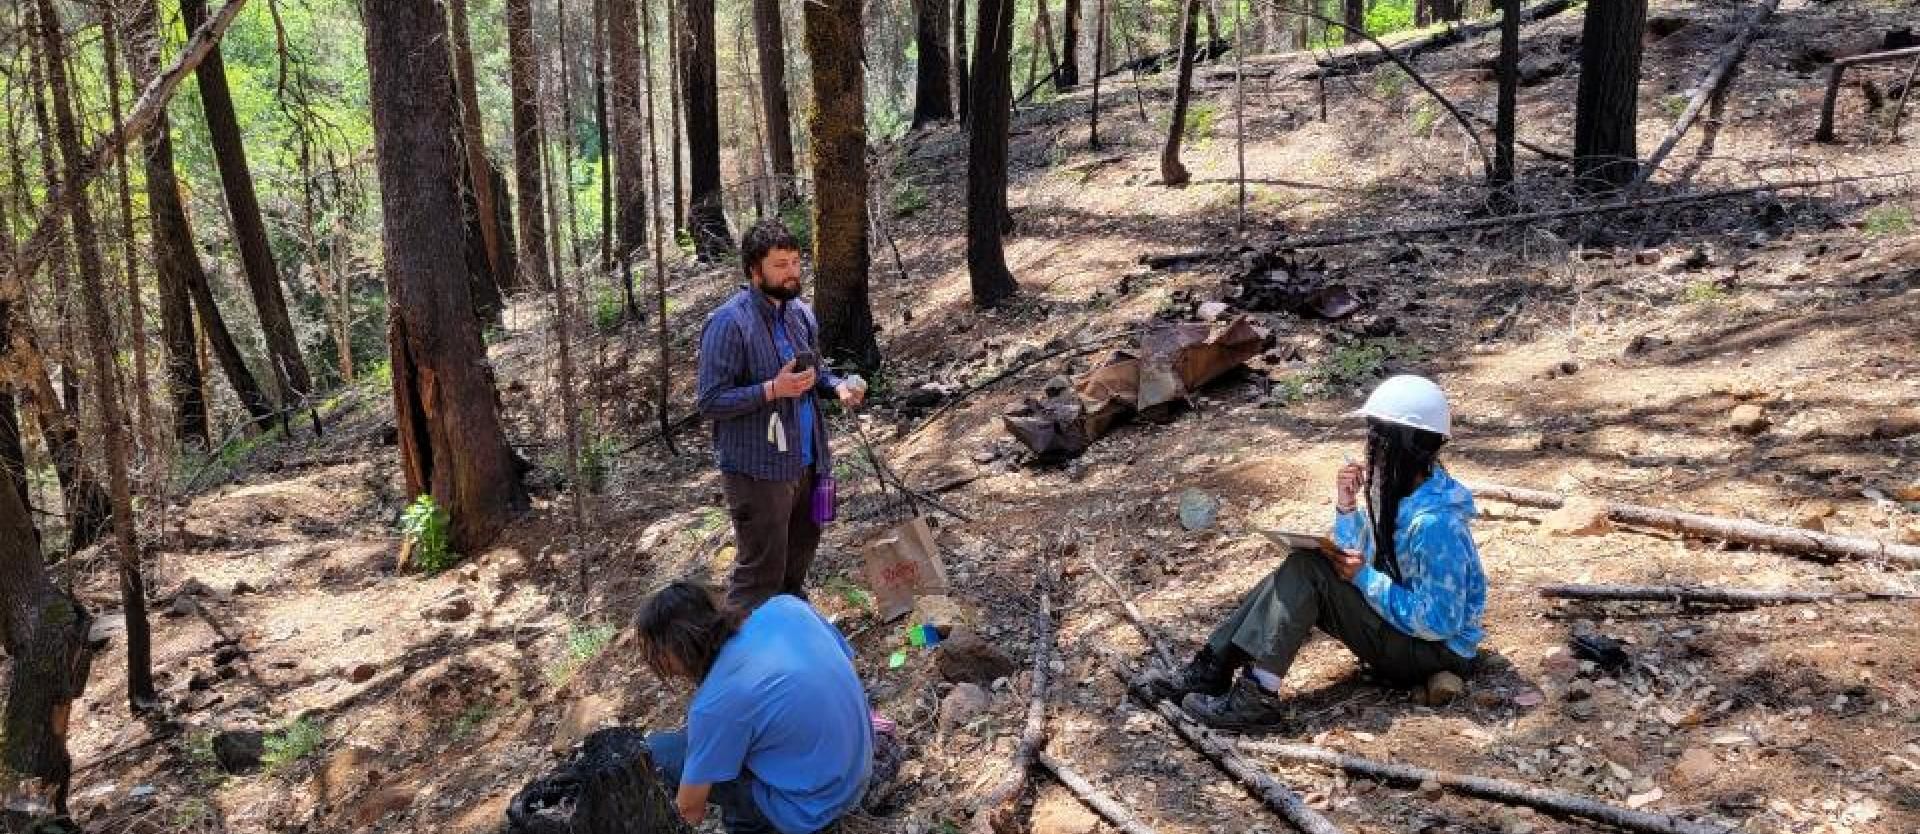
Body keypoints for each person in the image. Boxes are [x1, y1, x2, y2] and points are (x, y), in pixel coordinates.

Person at [1140, 375, 1487, 730]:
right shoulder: (1402, 492)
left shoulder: (1434, 524)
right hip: (1409, 636)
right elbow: (1362, 555)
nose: (1371, 448)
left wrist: (1365, 579)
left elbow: (1441, 623)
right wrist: (1347, 507)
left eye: (1378, 438)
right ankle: (1211, 668)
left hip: (1437, 653)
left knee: (1308, 570)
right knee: (1304, 562)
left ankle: (1255, 694)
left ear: (1404, 444)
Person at [696, 220, 865, 611]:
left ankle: (790, 636)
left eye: (794, 262)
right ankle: (741, 656)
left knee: (799, 559)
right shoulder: (728, 323)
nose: (791, 273)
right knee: (759, 574)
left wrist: (837, 387)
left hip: (811, 462)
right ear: (754, 271)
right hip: (758, 470)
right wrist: (771, 390)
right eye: (780, 265)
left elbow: (815, 372)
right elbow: (710, 401)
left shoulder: (800, 314)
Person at [637, 582, 874, 834]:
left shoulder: (715, 703)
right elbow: (843, 661)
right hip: (860, 767)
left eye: (660, 656)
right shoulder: (786, 608)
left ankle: (749, 824)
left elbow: (689, 811)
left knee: (657, 751)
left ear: (675, 649)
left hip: (811, 810)